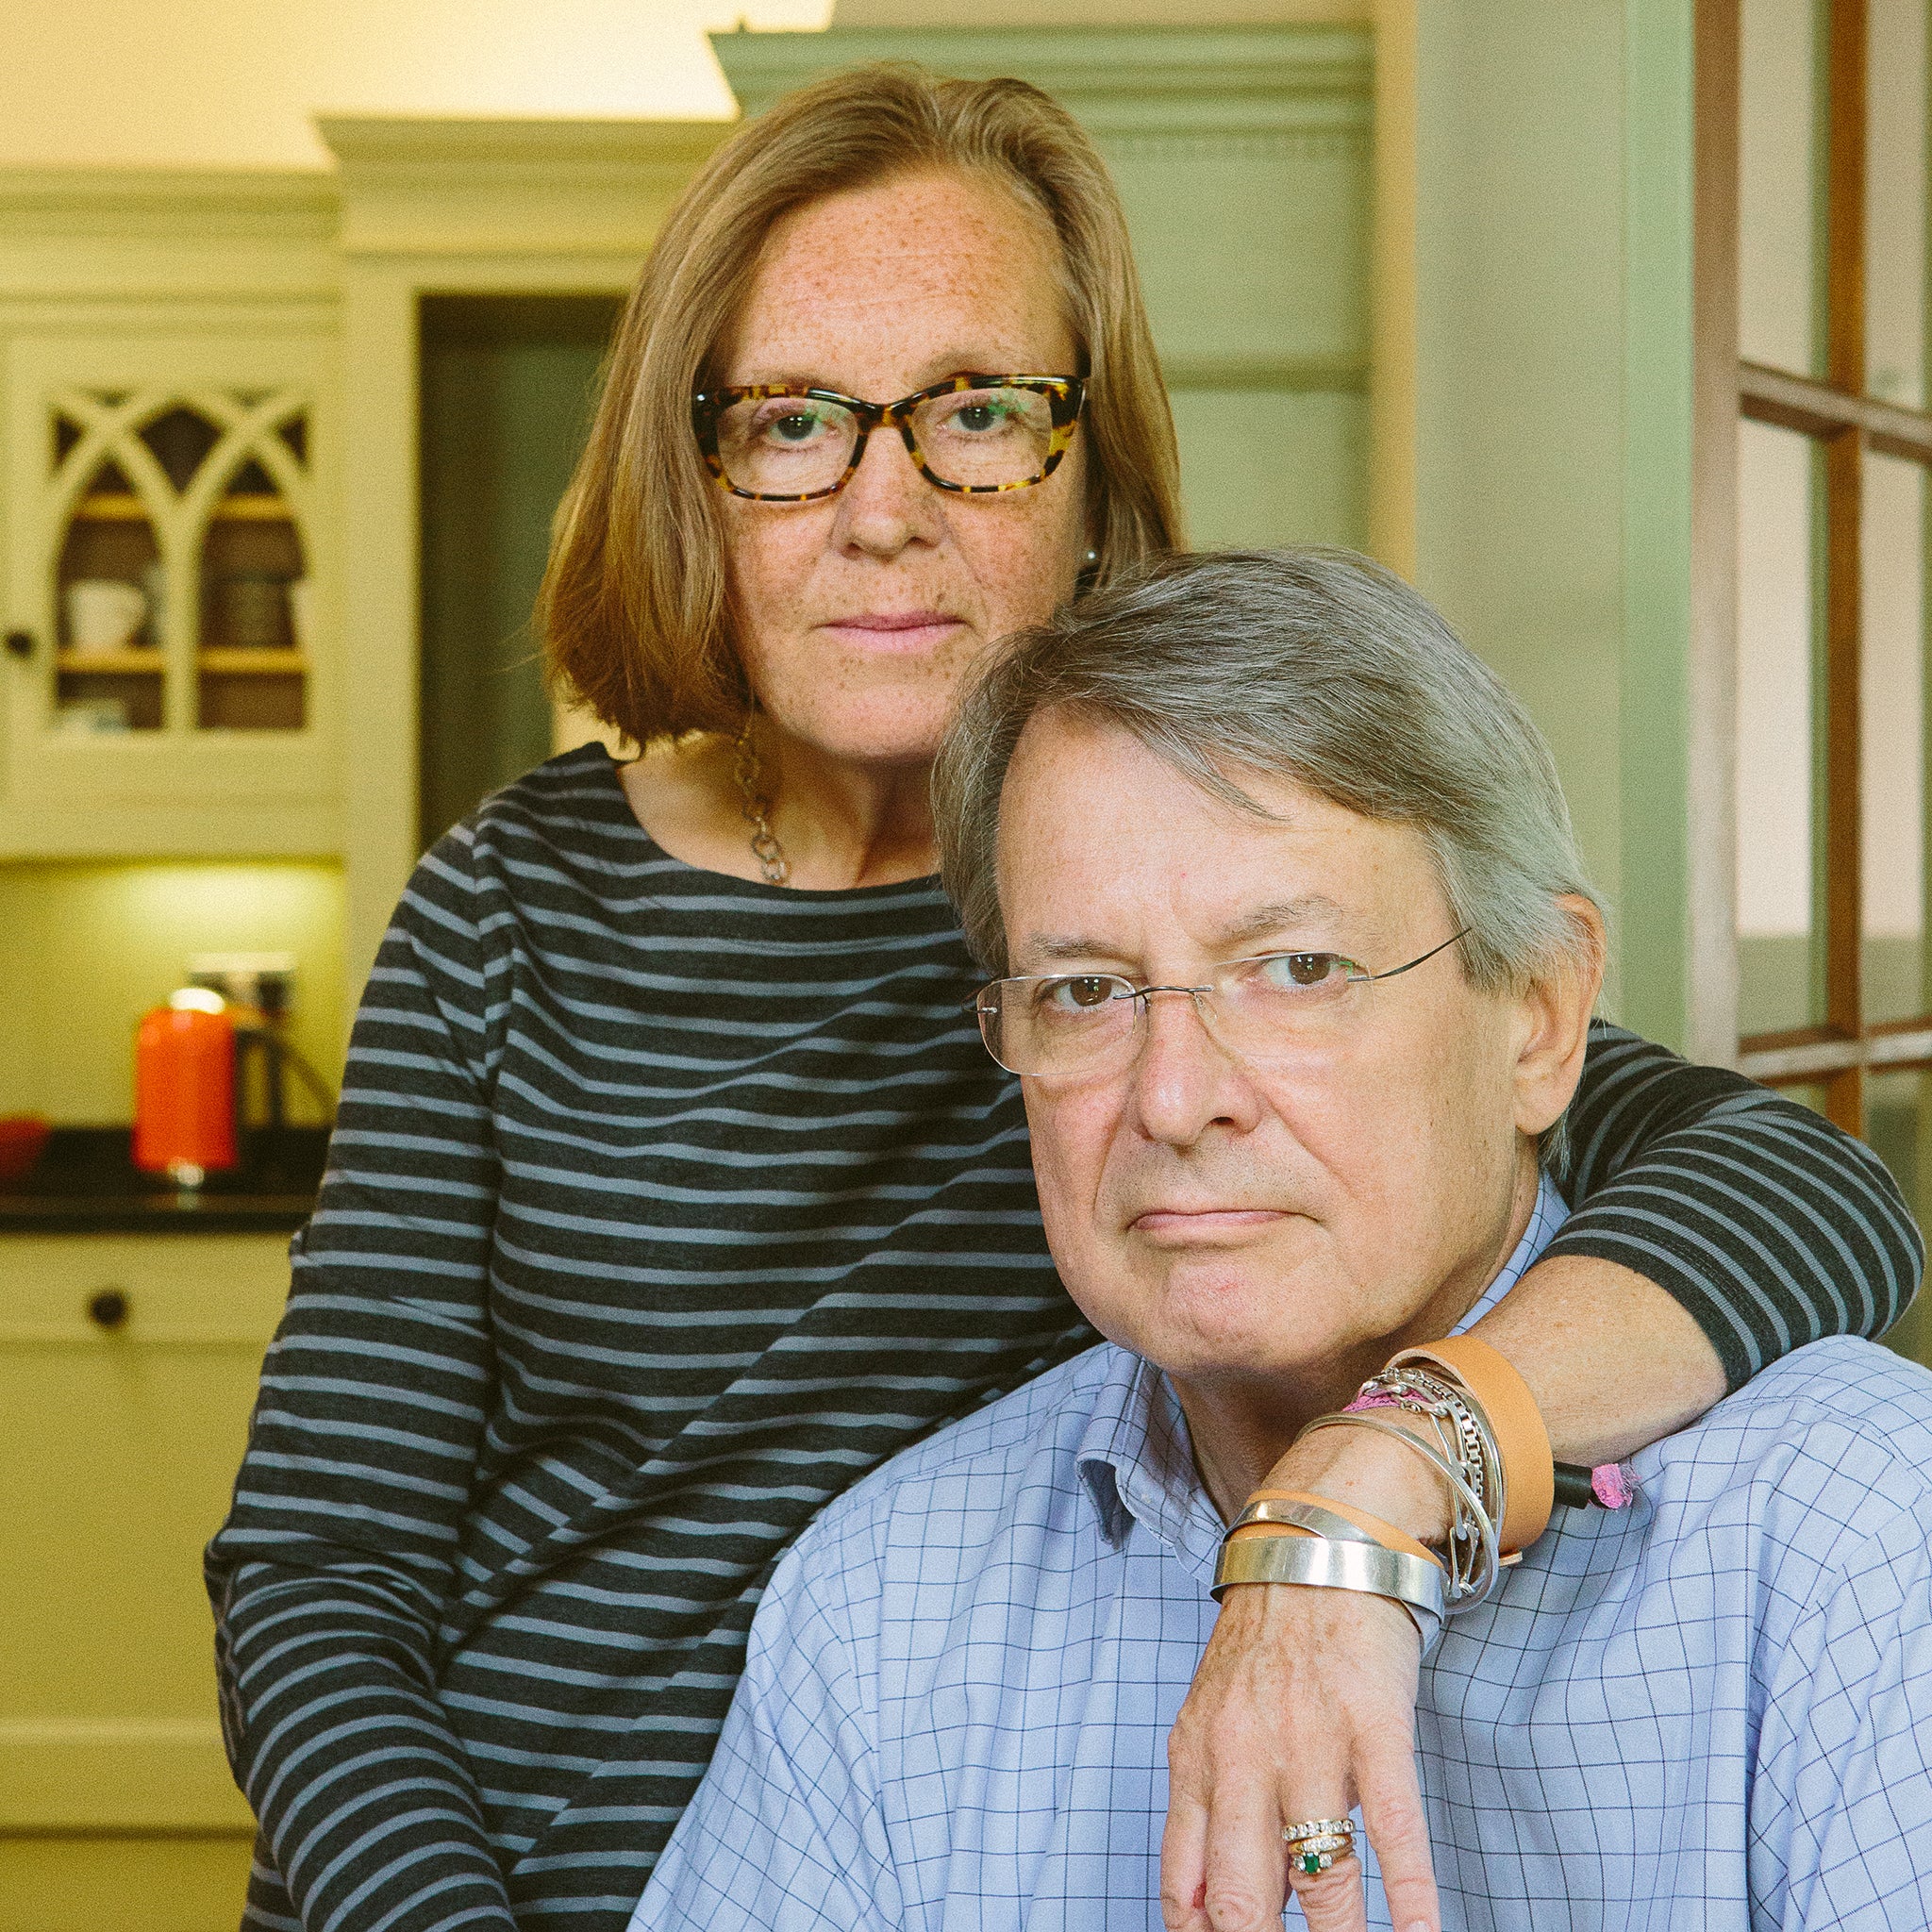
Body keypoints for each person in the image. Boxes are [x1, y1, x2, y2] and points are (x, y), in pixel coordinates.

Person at [205, 69, 1921, 1932]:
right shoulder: (512, 909)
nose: (882, 510)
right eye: (790, 422)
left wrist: (1383, 1468)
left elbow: (1796, 1197)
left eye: (977, 414)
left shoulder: (1154, 895)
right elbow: (315, 1570)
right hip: (480, 1877)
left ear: (1091, 468)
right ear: (689, 472)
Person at [631, 547, 1932, 1932]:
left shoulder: (1855, 1543)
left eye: (1297, 970)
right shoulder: (883, 1605)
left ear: (1540, 1015)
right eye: (1084, 990)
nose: (1177, 1099)